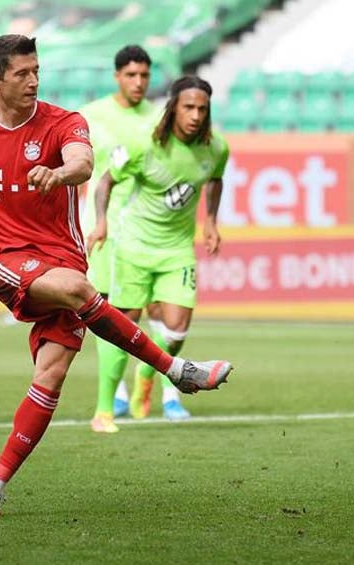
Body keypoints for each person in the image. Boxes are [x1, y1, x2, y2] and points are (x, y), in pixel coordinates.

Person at [0, 34, 233, 518]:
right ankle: (176, 371)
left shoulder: (65, 122)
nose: (33, 80)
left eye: (37, 70)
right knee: (82, 291)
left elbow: (83, 164)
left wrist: (59, 174)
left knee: (52, 375)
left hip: (63, 256)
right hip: (5, 256)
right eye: (21, 73)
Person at [90, 75, 228, 425]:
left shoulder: (216, 149)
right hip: (133, 245)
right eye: (189, 107)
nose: (196, 115)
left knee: (177, 329)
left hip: (177, 248)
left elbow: (215, 179)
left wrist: (210, 221)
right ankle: (104, 409)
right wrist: (102, 222)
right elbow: (105, 182)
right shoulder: (143, 143)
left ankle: (147, 375)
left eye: (202, 109)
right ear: (173, 108)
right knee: (121, 327)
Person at [79, 45, 189, 433]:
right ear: (117, 77)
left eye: (144, 75)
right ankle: (116, 397)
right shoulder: (92, 116)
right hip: (103, 226)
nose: (139, 82)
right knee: (109, 312)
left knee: (163, 311)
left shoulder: (159, 118)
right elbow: (78, 168)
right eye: (131, 75)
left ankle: (160, 387)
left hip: (147, 228)